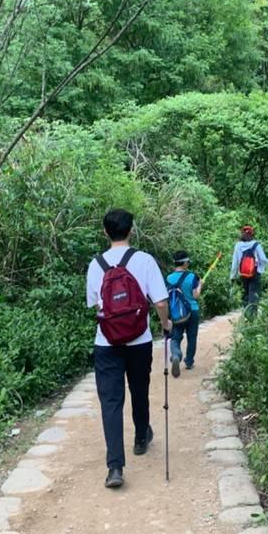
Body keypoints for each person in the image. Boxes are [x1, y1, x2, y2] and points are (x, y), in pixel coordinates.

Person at [86, 209, 172, 490]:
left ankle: (115, 467)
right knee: (139, 389)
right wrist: (166, 324)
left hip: (106, 343)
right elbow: (160, 302)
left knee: (111, 402)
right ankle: (140, 437)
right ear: (131, 230)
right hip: (139, 340)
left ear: (105, 232)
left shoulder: (95, 265)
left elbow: (97, 305)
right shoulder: (144, 260)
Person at [167, 250, 203, 376]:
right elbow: (195, 295)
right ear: (185, 263)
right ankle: (189, 362)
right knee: (191, 337)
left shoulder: (168, 278)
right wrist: (200, 285)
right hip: (192, 311)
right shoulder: (192, 277)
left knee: (175, 338)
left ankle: (176, 355)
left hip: (176, 313)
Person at [230, 225, 268, 317]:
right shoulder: (256, 245)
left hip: (243, 273)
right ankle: (252, 317)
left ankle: (246, 315)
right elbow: (263, 259)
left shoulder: (238, 246)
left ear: (242, 234)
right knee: (254, 294)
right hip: (255, 272)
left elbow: (235, 262)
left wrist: (232, 276)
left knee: (246, 294)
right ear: (252, 235)